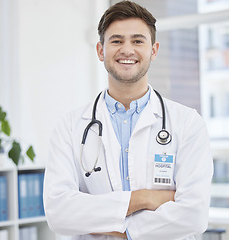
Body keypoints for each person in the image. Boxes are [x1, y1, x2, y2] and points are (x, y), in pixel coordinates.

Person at [43, 1, 213, 240]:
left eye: (137, 41)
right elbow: (59, 213)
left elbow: (194, 215)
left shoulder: (188, 124)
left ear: (153, 50)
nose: (127, 50)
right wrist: (143, 199)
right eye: (116, 40)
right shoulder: (69, 127)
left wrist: (121, 230)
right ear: (101, 51)